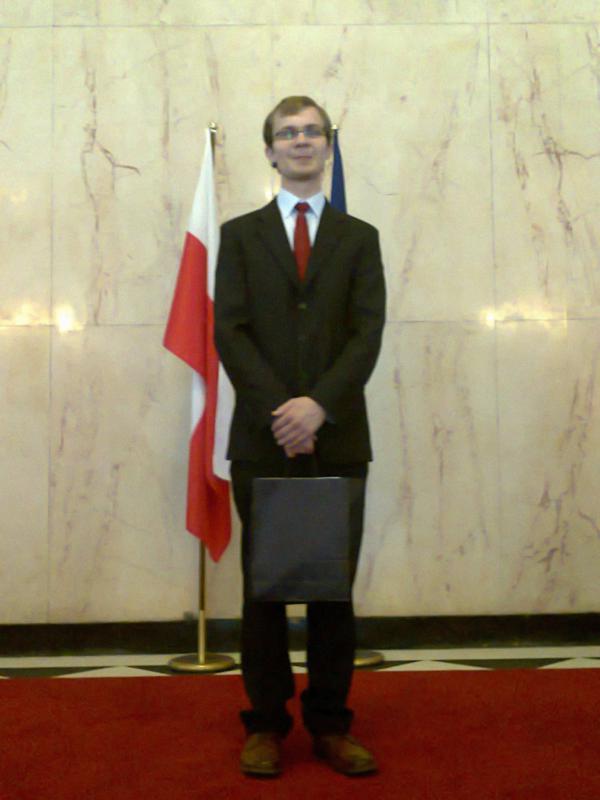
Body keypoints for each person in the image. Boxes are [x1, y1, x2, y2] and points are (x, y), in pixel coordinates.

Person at [214, 96, 386, 777]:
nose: (301, 141)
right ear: (270, 151)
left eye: (312, 131)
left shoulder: (360, 236)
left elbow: (367, 334)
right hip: (263, 441)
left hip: (339, 440)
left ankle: (331, 725)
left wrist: (318, 407)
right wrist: (282, 412)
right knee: (264, 591)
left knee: (331, 592)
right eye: (288, 133)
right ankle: (264, 726)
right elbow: (230, 331)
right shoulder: (239, 235)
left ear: (327, 147)